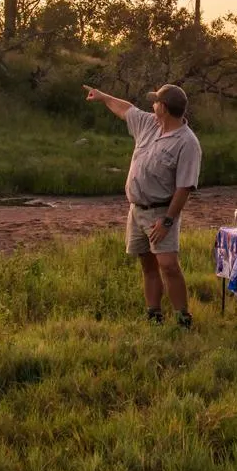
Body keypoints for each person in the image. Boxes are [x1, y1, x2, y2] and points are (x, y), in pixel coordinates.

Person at [84, 82, 202, 328]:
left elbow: (184, 188)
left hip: (161, 212)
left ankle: (183, 319)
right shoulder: (149, 124)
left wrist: (168, 221)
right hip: (136, 210)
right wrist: (103, 95)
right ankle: (153, 315)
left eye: (156, 102)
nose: (152, 104)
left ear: (165, 108)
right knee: (147, 263)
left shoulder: (187, 143)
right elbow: (126, 109)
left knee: (168, 265)